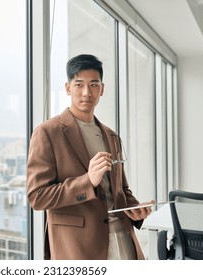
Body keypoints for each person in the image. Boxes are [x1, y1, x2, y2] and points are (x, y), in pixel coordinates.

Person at [26, 54, 154, 260]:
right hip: (80, 248)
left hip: (125, 241)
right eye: (79, 85)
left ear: (102, 89)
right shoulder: (48, 132)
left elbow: (121, 189)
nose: (87, 92)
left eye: (94, 85)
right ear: (68, 88)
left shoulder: (111, 136)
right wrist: (87, 181)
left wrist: (135, 209)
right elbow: (37, 197)